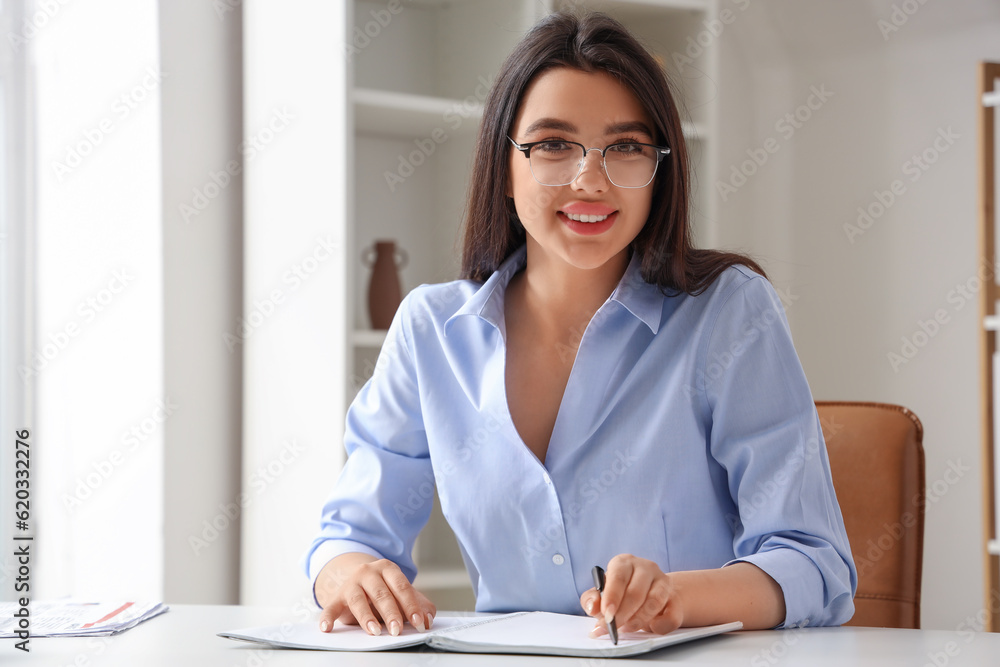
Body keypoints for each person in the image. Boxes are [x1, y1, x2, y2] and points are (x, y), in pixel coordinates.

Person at [303, 11, 856, 639]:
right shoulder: (431, 330)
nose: (590, 180)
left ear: (659, 172)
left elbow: (814, 562)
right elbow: (347, 537)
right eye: (553, 145)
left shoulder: (728, 314)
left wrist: (678, 597)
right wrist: (350, 576)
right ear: (504, 166)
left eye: (625, 147)